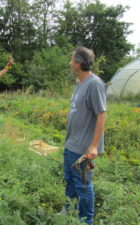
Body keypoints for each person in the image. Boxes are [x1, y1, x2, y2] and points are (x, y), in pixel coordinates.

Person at [64, 46, 107, 225]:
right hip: (71, 144)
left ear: (79, 63)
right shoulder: (79, 82)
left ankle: (86, 221)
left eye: (72, 58)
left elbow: (101, 114)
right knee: (70, 182)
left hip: (83, 148)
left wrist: (94, 146)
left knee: (83, 186)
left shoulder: (95, 83)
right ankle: (69, 211)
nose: (70, 61)